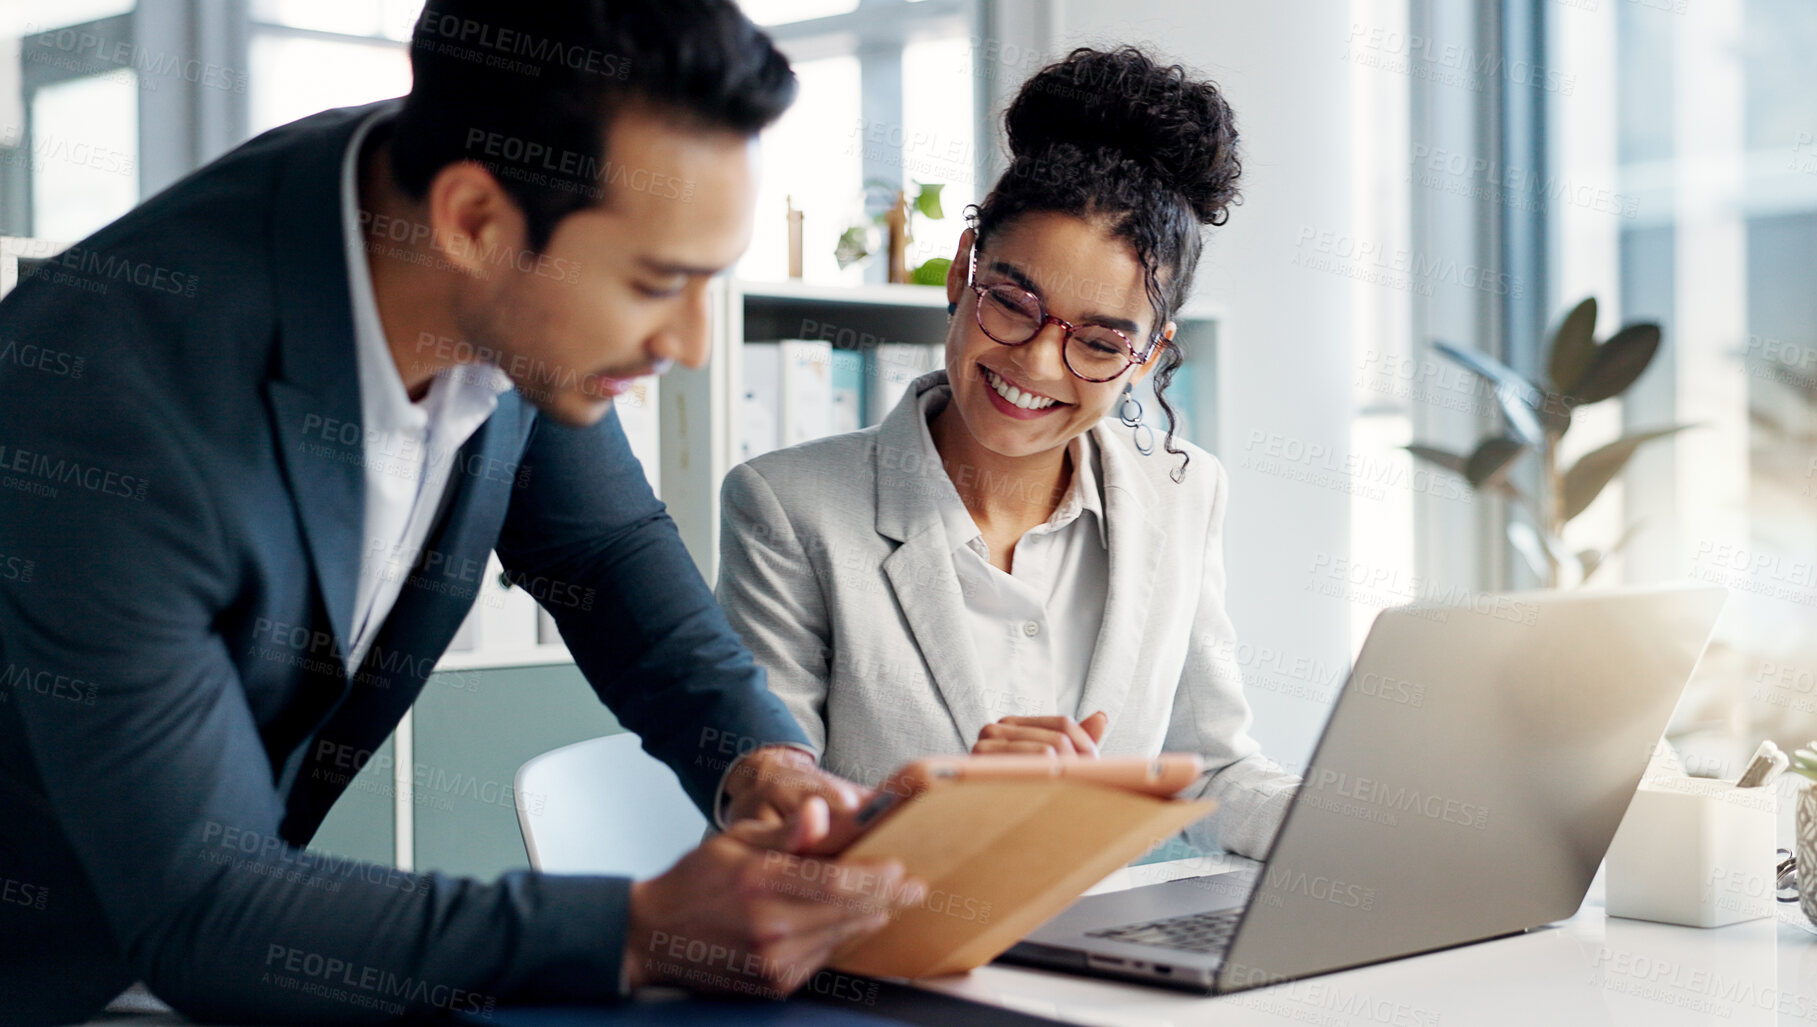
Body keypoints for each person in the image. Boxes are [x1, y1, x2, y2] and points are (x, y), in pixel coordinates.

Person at [0, 2, 922, 1023]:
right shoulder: (107, 405)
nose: (695, 344)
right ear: (472, 223)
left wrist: (766, 762)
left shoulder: (487, 230)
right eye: (658, 283)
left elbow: (605, 551)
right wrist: (642, 926)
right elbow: (205, 906)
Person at [717, 47, 1295, 861]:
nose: (1036, 363)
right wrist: (928, 804)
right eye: (1013, 303)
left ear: (1150, 357)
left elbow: (1213, 764)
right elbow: (769, 825)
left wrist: (1349, 828)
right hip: (885, 957)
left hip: (1101, 961)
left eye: (1097, 342)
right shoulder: (786, 507)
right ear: (964, 270)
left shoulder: (1184, 492)